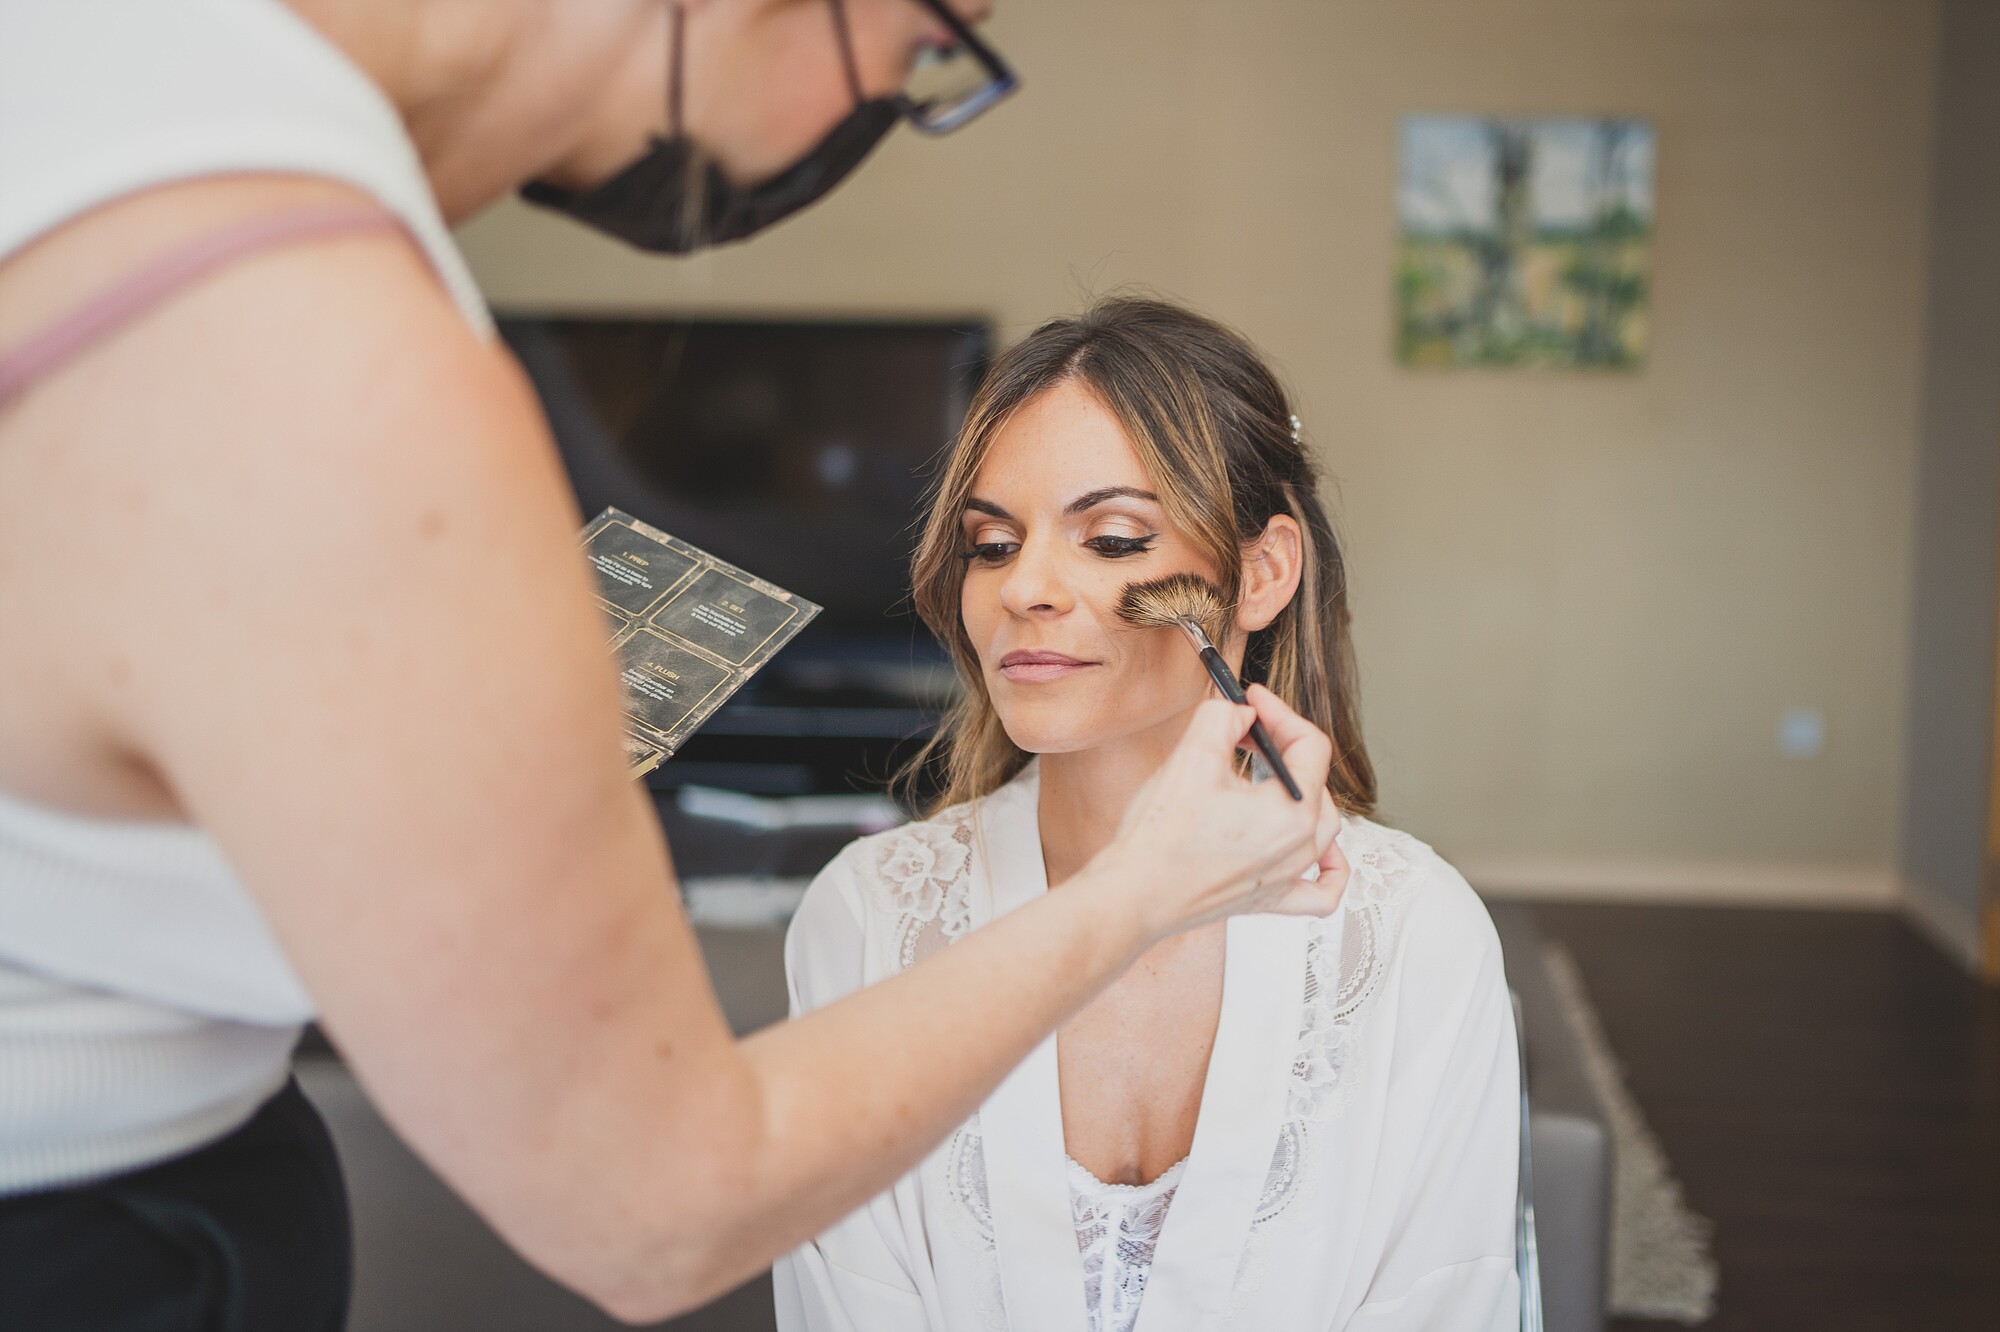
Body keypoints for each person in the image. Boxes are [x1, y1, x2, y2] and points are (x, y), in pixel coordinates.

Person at [0, 2, 1350, 1326]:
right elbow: (657, 1209)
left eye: (1109, 535)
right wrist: (1142, 891)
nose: (893, 104)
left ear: (1262, 568)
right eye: (933, 45)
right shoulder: (324, 350)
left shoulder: (100, 91)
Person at [775, 298, 1521, 1332]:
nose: (1024, 587)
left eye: (1113, 538)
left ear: (1257, 574)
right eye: (989, 545)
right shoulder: (863, 922)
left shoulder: (1412, 939)